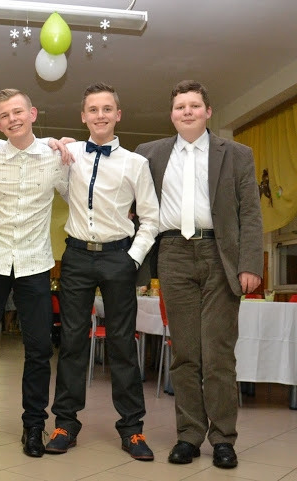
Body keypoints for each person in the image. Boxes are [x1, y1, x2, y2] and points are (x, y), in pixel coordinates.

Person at [135, 80, 262, 469]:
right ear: (171, 115)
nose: (186, 111)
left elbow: (250, 211)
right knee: (185, 353)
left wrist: (250, 264)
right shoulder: (148, 154)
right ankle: (189, 435)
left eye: (194, 105)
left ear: (208, 111)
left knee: (218, 353)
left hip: (220, 255)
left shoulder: (237, 154)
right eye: (180, 107)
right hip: (172, 253)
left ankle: (223, 438)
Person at [47, 83, 159, 461]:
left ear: (118, 115)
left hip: (118, 258)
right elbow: (35, 148)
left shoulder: (136, 163)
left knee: (122, 344)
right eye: (93, 109)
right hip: (76, 256)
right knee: (72, 342)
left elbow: (151, 218)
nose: (100, 115)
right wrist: (56, 143)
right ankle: (65, 424)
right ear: (83, 116)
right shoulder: (70, 154)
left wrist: (132, 259)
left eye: (107, 109)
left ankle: (132, 429)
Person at [0, 88, 69, 458]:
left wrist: (70, 145)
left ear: (32, 113)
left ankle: (34, 425)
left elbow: (80, 191)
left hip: (35, 263)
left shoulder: (54, 157)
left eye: (18, 112)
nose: (13, 119)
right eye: (5, 115)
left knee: (39, 348)